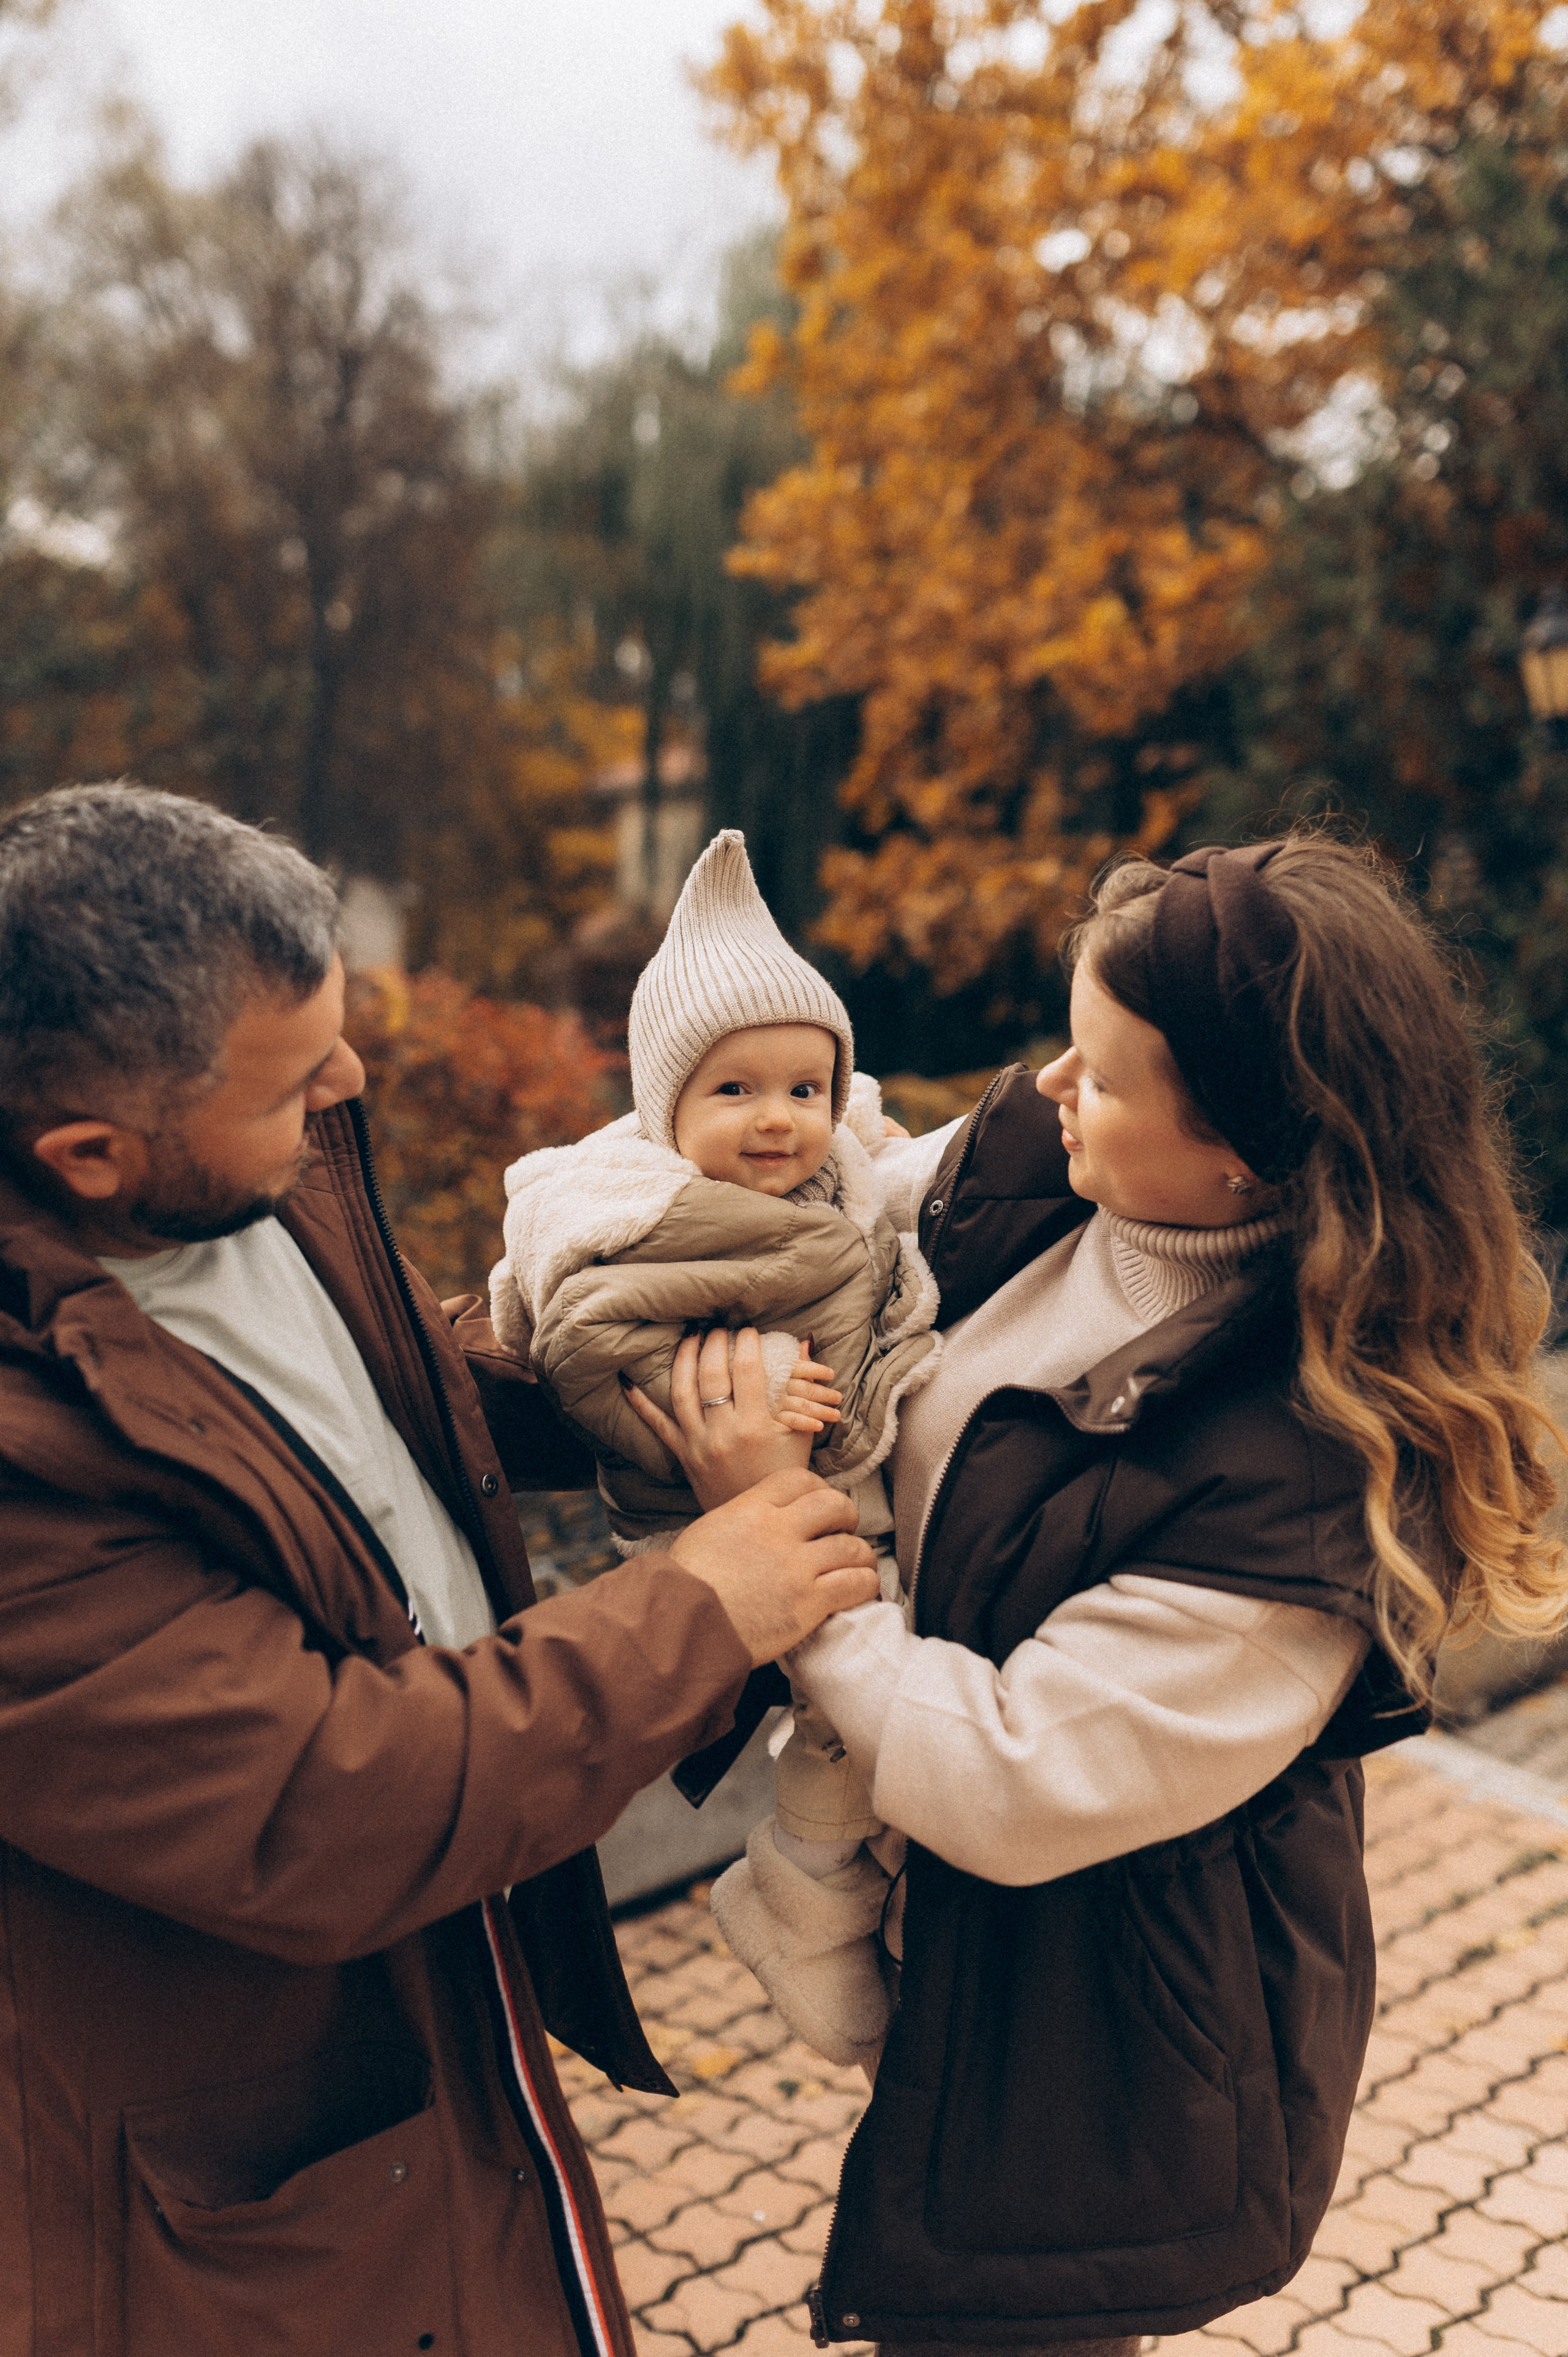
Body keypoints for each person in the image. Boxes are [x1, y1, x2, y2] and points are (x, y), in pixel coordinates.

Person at [626, 833, 1565, 2357]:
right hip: (964, 1938)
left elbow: (1012, 1773)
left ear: (1248, 1156)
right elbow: (798, 1206)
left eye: (1109, 1076)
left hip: (1111, 2020)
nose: (1053, 1083)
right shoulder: (1039, 1176)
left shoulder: (1299, 1475)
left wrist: (773, 1539)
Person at [0, 783, 878, 2357]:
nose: (346, 1079)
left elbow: (397, 1393)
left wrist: (653, 1391)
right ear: (91, 1152)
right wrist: (701, 1601)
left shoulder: (228, 1185)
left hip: (431, 2018)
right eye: (293, 1082)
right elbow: (325, 1795)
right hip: (226, 2177)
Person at [491, 830, 940, 2069]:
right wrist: (719, 1386)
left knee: (880, 1694)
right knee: (858, 1691)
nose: (775, 1121)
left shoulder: (837, 1174)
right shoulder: (635, 1228)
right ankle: (802, 1892)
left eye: (805, 1088)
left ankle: (840, 1882)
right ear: (664, 1105)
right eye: (732, 1091)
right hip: (717, 1498)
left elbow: (888, 1194)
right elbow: (581, 1347)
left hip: (836, 1475)